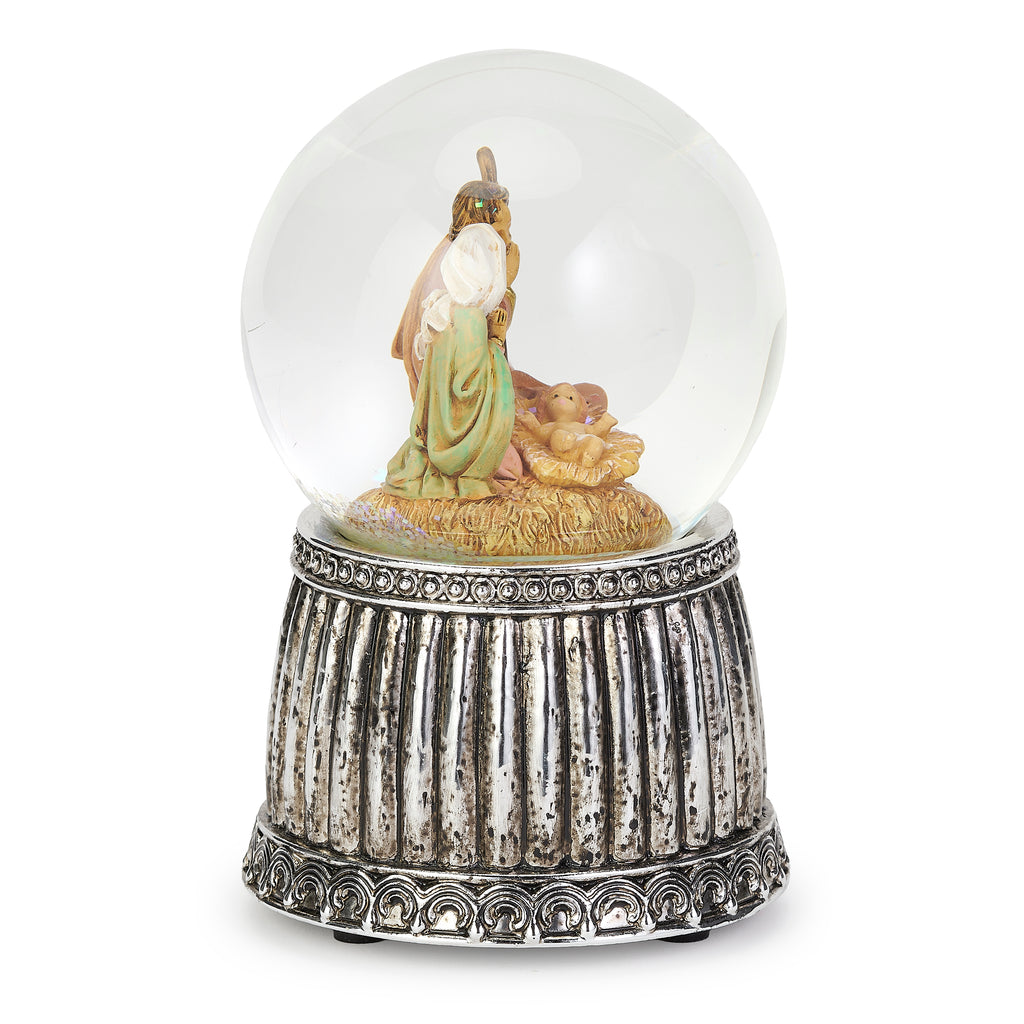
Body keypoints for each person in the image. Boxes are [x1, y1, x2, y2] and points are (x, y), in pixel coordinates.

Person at [383, 223, 515, 500]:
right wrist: (496, 340)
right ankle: (468, 478)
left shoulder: (440, 310)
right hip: (457, 443)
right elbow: (469, 386)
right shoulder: (471, 317)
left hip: (436, 428)